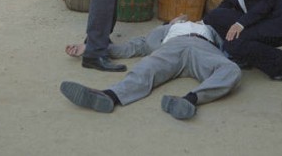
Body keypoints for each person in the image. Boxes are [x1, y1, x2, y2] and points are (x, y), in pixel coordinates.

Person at [61, 16, 241, 120]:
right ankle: (109, 96)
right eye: (178, 17)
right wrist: (91, 49)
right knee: (145, 67)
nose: (185, 17)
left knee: (231, 70)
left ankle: (190, 100)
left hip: (203, 49)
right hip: (172, 47)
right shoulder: (167, 29)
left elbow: (228, 48)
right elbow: (133, 47)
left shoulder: (209, 28)